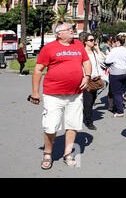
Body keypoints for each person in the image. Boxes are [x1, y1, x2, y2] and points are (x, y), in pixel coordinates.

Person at [30, 21, 92, 170]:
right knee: (50, 126)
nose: (72, 30)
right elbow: (38, 70)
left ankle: (67, 153)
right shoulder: (49, 48)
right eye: (69, 29)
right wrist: (35, 92)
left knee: (73, 125)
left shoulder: (78, 45)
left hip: (75, 94)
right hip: (53, 95)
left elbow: (86, 61)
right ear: (59, 34)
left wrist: (87, 76)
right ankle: (47, 153)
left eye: (71, 28)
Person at [81, 34, 107, 130]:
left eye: (93, 40)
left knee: (92, 100)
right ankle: (89, 121)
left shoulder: (94, 52)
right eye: (91, 40)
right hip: (86, 79)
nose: (93, 42)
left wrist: (98, 49)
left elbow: (103, 60)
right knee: (88, 101)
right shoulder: (82, 53)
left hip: (95, 79)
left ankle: (86, 112)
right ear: (85, 42)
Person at [105, 35, 126, 117]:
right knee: (121, 92)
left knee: (116, 93)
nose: (112, 44)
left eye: (113, 42)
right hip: (125, 72)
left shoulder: (114, 50)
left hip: (116, 73)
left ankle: (120, 111)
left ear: (117, 42)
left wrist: (108, 54)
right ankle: (118, 106)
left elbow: (107, 61)